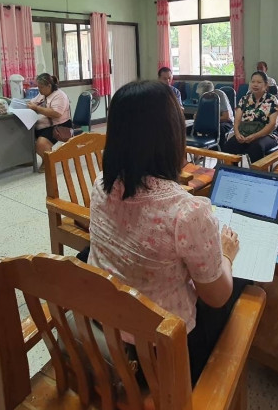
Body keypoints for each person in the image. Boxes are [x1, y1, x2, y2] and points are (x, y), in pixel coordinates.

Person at [87, 80, 242, 384]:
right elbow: (217, 297)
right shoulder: (188, 212)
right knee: (240, 287)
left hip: (104, 320)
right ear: (172, 135)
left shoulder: (100, 185)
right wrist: (226, 254)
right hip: (160, 354)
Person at [221, 71, 278, 162]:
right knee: (229, 145)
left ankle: (255, 171)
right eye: (253, 82)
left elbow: (273, 124)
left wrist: (255, 136)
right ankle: (233, 170)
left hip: (267, 134)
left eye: (259, 82)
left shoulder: (272, 100)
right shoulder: (244, 99)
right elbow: (237, 120)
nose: (255, 84)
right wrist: (237, 134)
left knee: (256, 147)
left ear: (266, 85)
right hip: (245, 133)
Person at [27, 73, 72, 170]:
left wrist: (36, 108)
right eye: (38, 87)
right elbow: (33, 102)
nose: (39, 89)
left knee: (41, 144)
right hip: (43, 124)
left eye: (41, 87)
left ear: (49, 86)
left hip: (60, 125)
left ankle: (48, 161)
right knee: (25, 136)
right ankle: (29, 159)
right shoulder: (42, 94)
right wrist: (30, 105)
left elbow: (56, 113)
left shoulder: (60, 95)